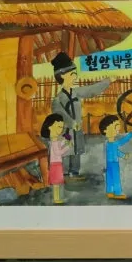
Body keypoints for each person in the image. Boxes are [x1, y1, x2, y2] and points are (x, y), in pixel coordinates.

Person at [51, 51, 111, 180]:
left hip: (77, 129)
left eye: (75, 73)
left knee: (77, 150)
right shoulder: (58, 99)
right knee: (66, 150)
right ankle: (65, 174)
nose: (75, 76)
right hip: (65, 131)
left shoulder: (76, 92)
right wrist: (71, 123)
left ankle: (75, 172)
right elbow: (59, 114)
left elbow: (91, 90)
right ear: (62, 75)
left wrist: (108, 81)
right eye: (72, 74)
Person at [40, 113, 72, 204]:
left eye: (61, 127)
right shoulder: (54, 141)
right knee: (56, 184)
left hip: (56, 164)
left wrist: (65, 142)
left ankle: (57, 198)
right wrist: (68, 147)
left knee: (57, 183)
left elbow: (59, 145)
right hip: (55, 164)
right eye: (58, 127)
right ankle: (56, 199)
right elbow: (58, 152)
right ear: (50, 127)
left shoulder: (54, 139)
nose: (61, 130)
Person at [100, 114, 132, 199]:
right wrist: (130, 134)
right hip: (114, 163)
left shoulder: (108, 143)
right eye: (115, 127)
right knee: (116, 178)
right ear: (106, 130)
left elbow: (115, 151)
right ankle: (118, 193)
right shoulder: (114, 143)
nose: (117, 130)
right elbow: (121, 143)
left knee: (110, 177)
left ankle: (109, 192)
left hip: (109, 163)